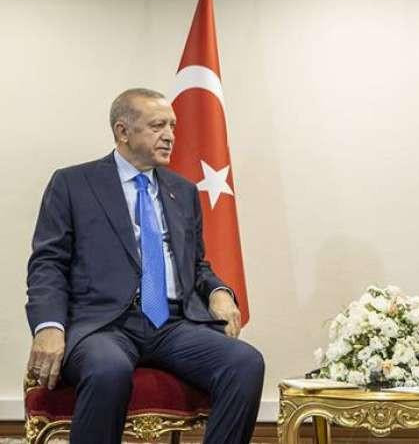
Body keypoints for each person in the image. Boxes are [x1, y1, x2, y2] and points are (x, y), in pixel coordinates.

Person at [25, 88, 264, 444]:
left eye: (172, 126)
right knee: (109, 369)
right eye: (157, 126)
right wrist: (49, 325)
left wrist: (218, 291)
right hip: (104, 325)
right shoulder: (73, 184)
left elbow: (195, 264)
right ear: (122, 131)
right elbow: (48, 263)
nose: (169, 135)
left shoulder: (183, 191)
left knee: (245, 362)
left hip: (173, 324)